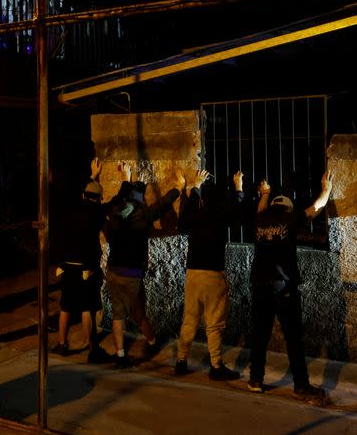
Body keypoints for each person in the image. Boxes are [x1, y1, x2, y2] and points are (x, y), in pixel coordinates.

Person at [247, 171, 332, 401]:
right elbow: (316, 208)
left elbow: (261, 207)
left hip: (259, 285)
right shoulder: (291, 219)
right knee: (293, 338)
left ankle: (255, 379)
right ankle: (301, 385)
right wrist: (326, 188)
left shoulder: (260, 218)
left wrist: (264, 193)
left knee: (259, 334)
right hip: (283, 287)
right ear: (287, 208)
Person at [104, 163, 185, 369]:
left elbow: (119, 202)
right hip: (132, 273)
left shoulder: (113, 214)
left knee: (118, 315)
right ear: (140, 199)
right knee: (139, 312)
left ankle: (121, 355)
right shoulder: (143, 216)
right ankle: (152, 342)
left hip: (113, 271)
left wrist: (126, 177)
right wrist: (179, 188)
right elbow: (163, 205)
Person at [174, 169, 244, 381]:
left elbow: (183, 220)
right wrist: (238, 187)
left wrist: (192, 187)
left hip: (193, 273)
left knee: (190, 319)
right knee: (214, 323)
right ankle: (215, 365)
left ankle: (181, 360)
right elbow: (237, 209)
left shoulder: (196, 214)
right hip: (213, 274)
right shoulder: (221, 215)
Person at [51, 158, 111, 364]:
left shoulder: (70, 207)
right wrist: (127, 182)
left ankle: (62, 343)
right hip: (86, 267)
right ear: (99, 198)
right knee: (87, 307)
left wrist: (91, 175)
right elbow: (113, 202)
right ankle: (91, 346)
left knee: (66, 306)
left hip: (67, 265)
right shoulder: (96, 212)